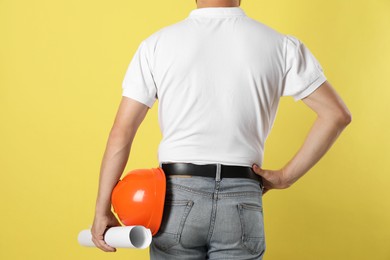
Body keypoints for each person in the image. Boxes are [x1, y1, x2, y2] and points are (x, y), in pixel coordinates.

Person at [91, 0, 352, 259]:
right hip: (243, 194)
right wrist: (286, 177)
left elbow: (121, 132)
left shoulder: (156, 45)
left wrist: (102, 209)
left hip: (174, 197)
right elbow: (336, 115)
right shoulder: (280, 45)